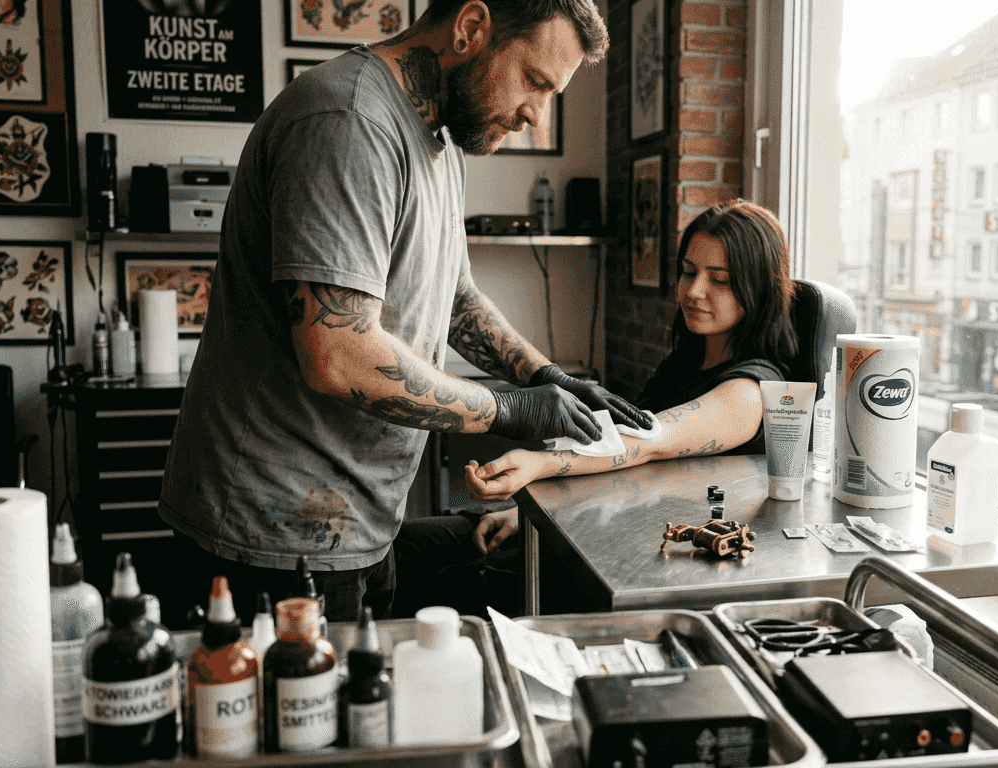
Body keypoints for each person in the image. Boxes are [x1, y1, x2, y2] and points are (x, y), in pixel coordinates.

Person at [157, 0, 649, 628]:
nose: (535, 114)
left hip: (351, 522)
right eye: (534, 81)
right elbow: (338, 353)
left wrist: (541, 375)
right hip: (270, 537)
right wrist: (508, 408)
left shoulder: (440, 137)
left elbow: (455, 297)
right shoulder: (351, 122)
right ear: (472, 29)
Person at [395, 200, 798, 617]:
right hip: (589, 523)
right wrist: (528, 514)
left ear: (758, 289)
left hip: (628, 556)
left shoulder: (752, 390)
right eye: (689, 271)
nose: (694, 291)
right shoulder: (684, 363)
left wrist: (538, 464)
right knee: (402, 549)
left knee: (438, 590)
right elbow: (627, 473)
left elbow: (649, 443)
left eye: (721, 280)